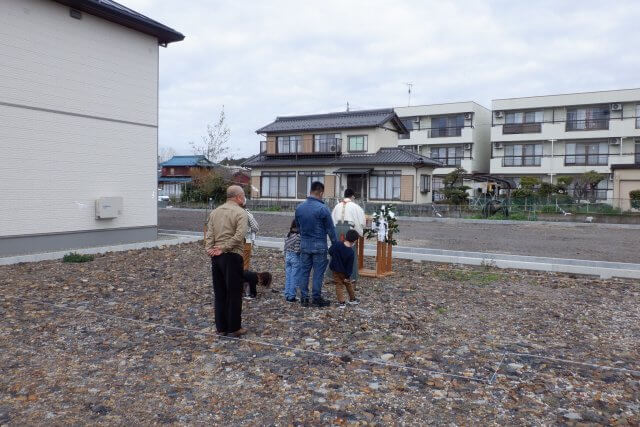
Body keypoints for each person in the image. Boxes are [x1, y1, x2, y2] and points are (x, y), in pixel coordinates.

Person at [205, 185, 248, 337]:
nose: (244, 198)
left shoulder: (215, 212)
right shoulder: (241, 213)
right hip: (232, 255)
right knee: (234, 293)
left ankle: (221, 327)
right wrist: (224, 247)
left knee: (220, 292)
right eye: (243, 195)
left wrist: (210, 248)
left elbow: (209, 232)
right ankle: (234, 327)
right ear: (238, 197)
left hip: (216, 257)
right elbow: (239, 235)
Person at [295, 181, 338, 307]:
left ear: (310, 191)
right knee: (318, 273)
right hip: (319, 245)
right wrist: (335, 244)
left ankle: (304, 298)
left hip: (304, 244)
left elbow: (298, 227)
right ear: (320, 192)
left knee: (304, 272)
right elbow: (330, 229)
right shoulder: (323, 208)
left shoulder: (299, 208)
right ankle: (316, 297)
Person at [331, 188, 366, 282]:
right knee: (350, 251)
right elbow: (361, 221)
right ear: (352, 196)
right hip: (348, 229)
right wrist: (358, 232)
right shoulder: (355, 206)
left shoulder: (337, 206)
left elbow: (332, 219)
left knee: (337, 250)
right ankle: (351, 276)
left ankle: (334, 276)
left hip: (337, 228)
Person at [242, 208, 272, 300]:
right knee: (244, 264)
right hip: (245, 241)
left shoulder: (230, 212)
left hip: (231, 244)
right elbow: (256, 227)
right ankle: (243, 288)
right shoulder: (247, 214)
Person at [328, 229, 361, 308]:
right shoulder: (351, 252)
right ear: (355, 241)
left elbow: (330, 251)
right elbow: (349, 266)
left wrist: (335, 257)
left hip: (335, 269)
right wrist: (347, 276)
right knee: (348, 284)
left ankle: (342, 302)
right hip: (345, 272)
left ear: (346, 236)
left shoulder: (337, 244)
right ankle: (352, 299)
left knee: (339, 285)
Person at [283, 219, 301, 302]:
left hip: (287, 256)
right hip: (295, 257)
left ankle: (286, 294)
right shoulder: (298, 236)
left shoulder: (289, 234)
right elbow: (297, 250)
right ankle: (291, 296)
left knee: (288, 276)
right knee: (294, 277)